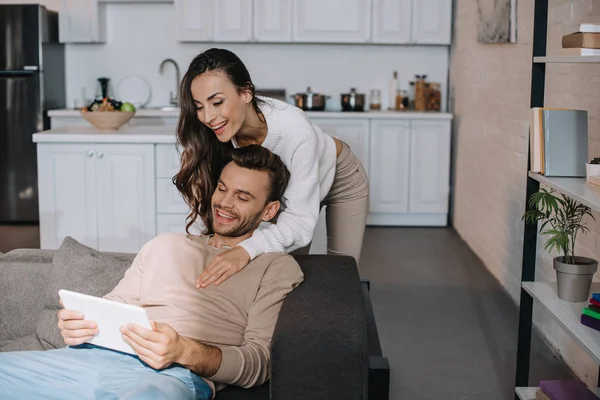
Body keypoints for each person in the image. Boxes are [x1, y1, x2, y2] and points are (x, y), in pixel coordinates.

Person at [0, 145, 304, 400]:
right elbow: (115, 304)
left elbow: (259, 363)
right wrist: (79, 327)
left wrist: (184, 350)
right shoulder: (164, 245)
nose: (224, 203)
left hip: (168, 376)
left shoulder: (275, 267)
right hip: (84, 359)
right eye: (222, 189)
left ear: (268, 211)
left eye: (242, 197)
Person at [175, 48, 369, 289]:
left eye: (217, 102)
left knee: (341, 274)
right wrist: (194, 251)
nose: (208, 117)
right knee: (286, 274)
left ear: (245, 94)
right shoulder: (210, 134)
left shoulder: (295, 129)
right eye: (199, 106)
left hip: (342, 179)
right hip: (282, 186)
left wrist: (245, 251)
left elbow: (299, 224)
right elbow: (208, 200)